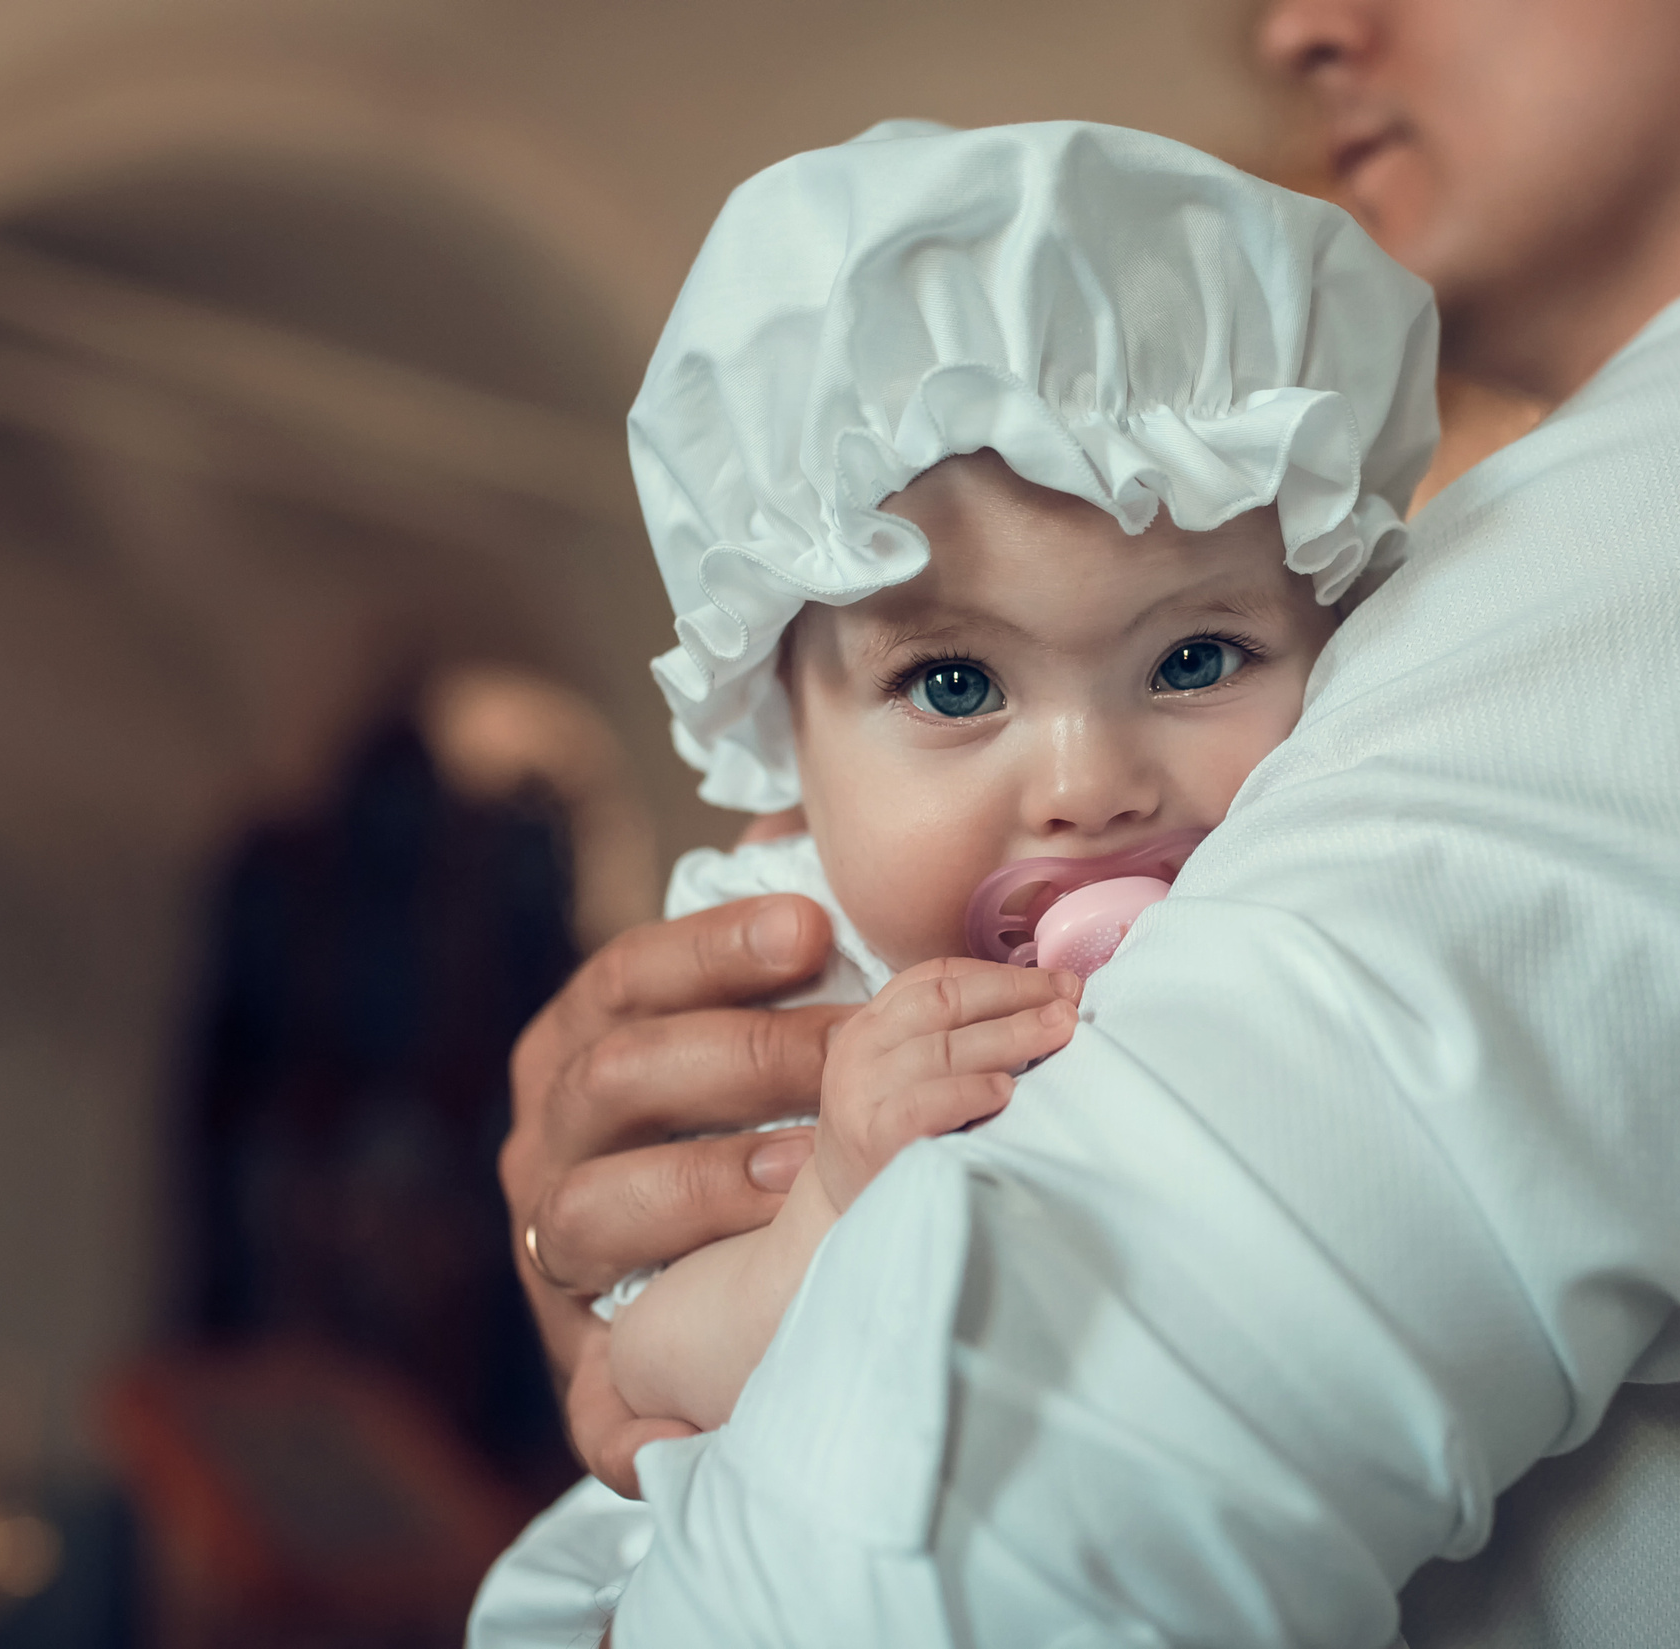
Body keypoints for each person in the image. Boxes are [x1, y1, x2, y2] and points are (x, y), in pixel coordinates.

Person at [496, 0, 1680, 1641]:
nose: (1295, 23)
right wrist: (681, 1271)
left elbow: (967, 1541)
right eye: (956, 686)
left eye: (1193, 656)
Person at [471, 118, 1438, 1638]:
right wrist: (829, 1210)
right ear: (781, 727)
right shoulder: (796, 972)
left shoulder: (1323, 915)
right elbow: (640, 1385)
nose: (1087, 785)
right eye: (955, 686)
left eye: (1195, 658)